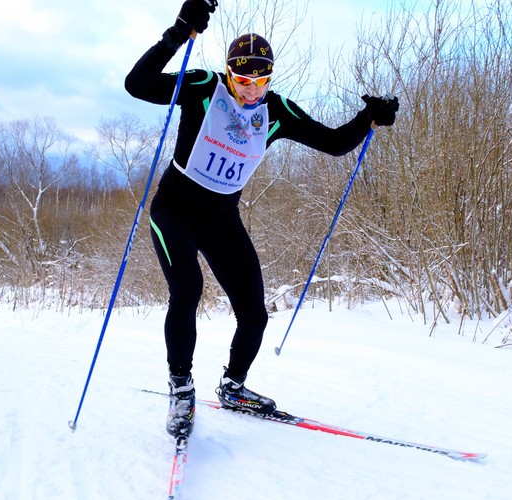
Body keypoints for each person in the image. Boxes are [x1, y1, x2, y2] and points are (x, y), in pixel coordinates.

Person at [125, 0, 399, 438]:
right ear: (229, 74)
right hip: (175, 208)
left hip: (221, 217)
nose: (252, 90)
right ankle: (181, 387)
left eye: (261, 81)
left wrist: (369, 119)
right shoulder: (202, 87)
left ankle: (234, 386)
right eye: (243, 80)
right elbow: (136, 85)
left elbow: (332, 143)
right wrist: (178, 32)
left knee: (254, 312)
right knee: (188, 288)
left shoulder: (275, 111)